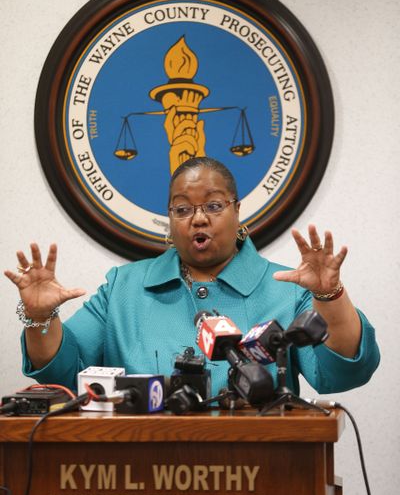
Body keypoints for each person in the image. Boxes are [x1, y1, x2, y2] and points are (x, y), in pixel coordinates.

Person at [4, 157, 380, 398]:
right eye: (183, 209)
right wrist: (40, 318)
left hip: (260, 474)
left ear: (237, 212)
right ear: (170, 220)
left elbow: (341, 374)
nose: (198, 218)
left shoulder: (282, 290)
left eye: (214, 205)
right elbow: (61, 372)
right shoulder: (124, 288)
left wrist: (330, 296)